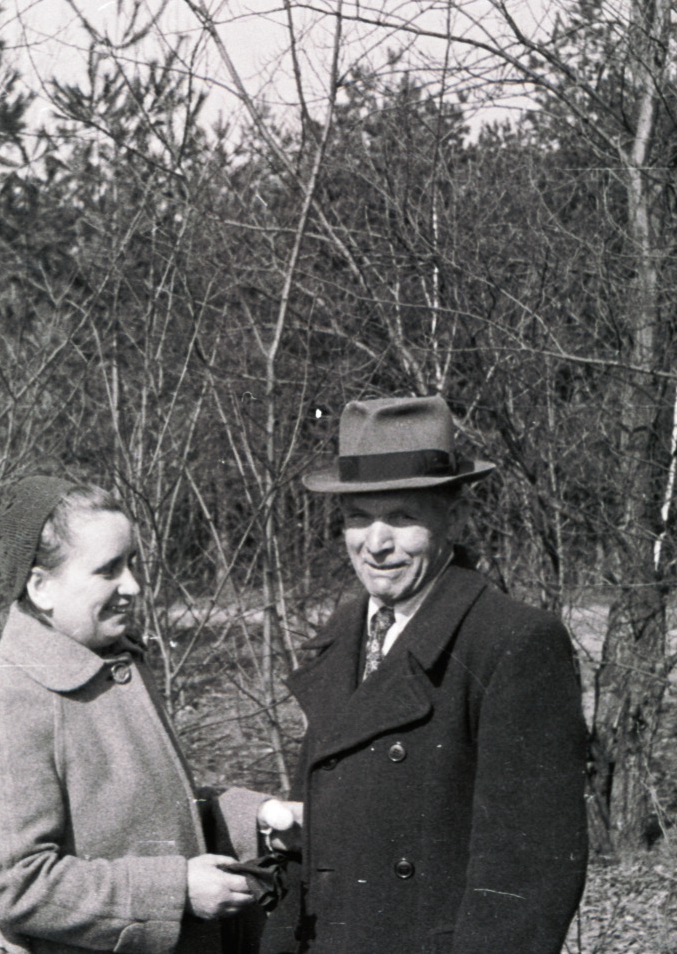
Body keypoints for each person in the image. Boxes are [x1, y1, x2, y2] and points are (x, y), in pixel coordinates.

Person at [272, 395, 589, 954]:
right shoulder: (342, 635)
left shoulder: (512, 641)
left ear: (454, 519)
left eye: (402, 516)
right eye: (357, 517)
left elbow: (526, 878)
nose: (376, 544)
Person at [0, 476, 273, 954]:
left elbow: (144, 820)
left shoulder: (113, 668)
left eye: (131, 563)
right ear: (41, 587)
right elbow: (9, 883)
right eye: (108, 570)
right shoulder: (3, 698)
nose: (133, 586)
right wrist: (176, 891)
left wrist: (256, 820)